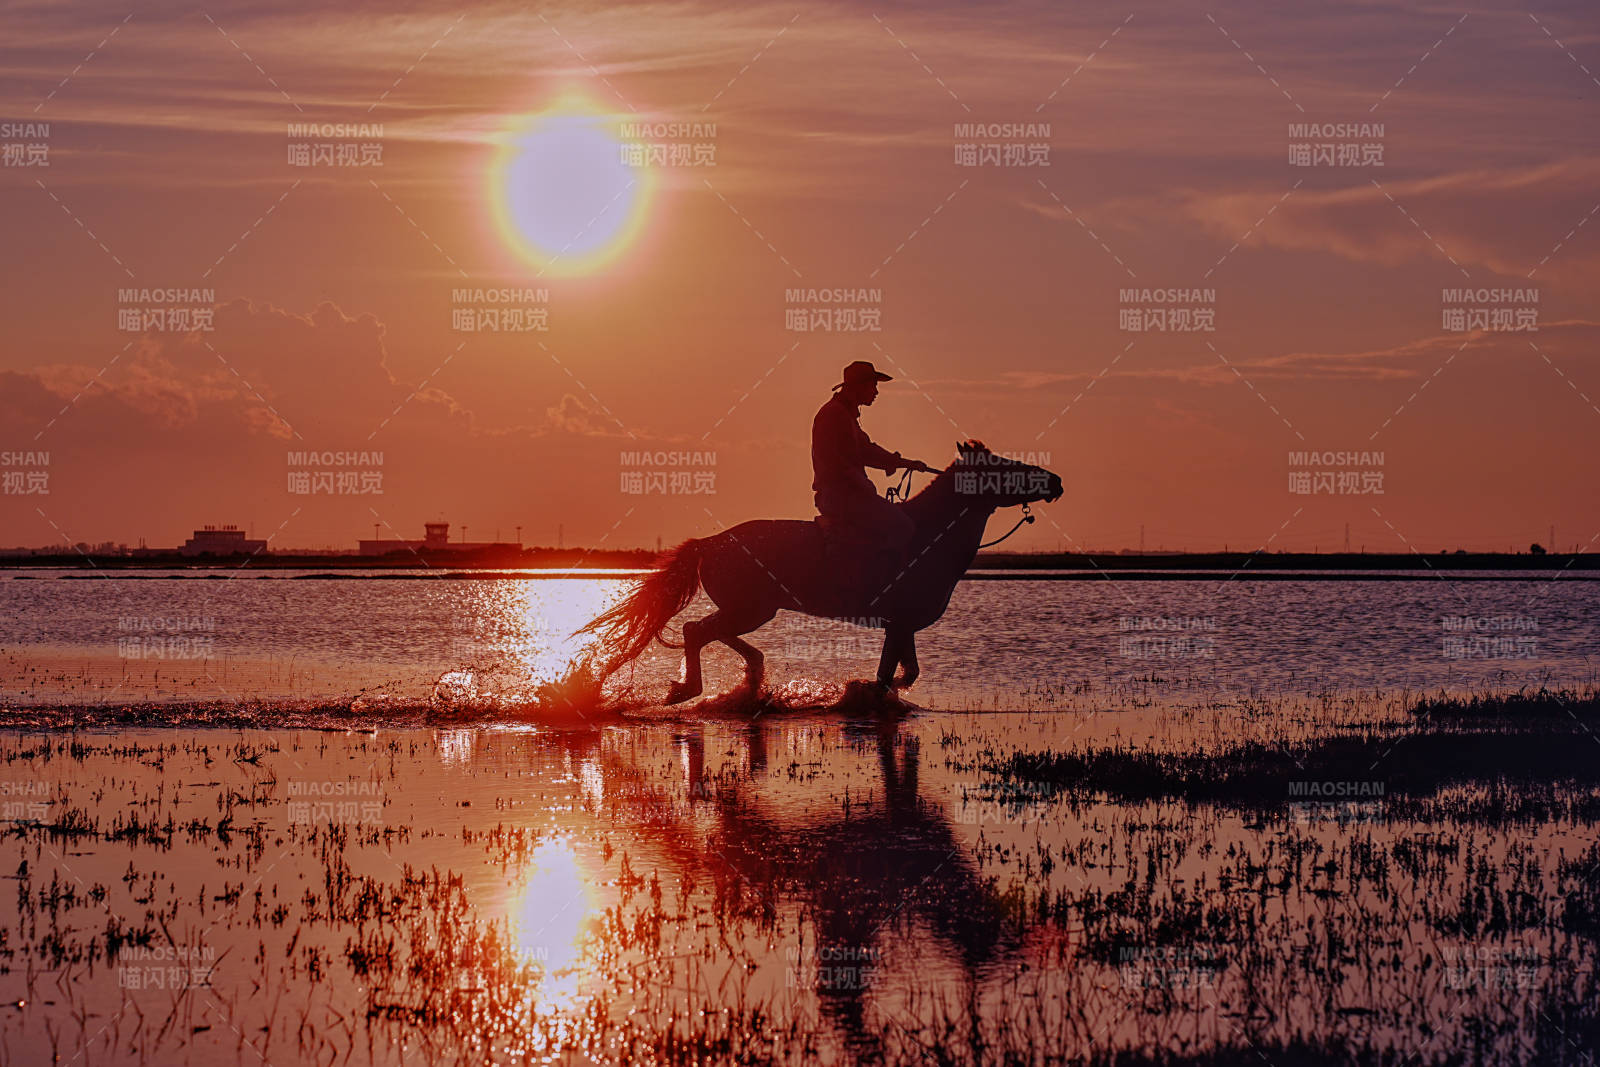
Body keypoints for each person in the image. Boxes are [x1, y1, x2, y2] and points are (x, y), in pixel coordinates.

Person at [812, 361, 934, 585]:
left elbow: (865, 450)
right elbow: (840, 463)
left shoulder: (843, 414)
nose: (876, 391)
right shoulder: (835, 415)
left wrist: (904, 462)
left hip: (845, 495)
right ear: (858, 386)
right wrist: (865, 486)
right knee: (903, 526)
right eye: (873, 385)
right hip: (840, 497)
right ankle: (879, 584)